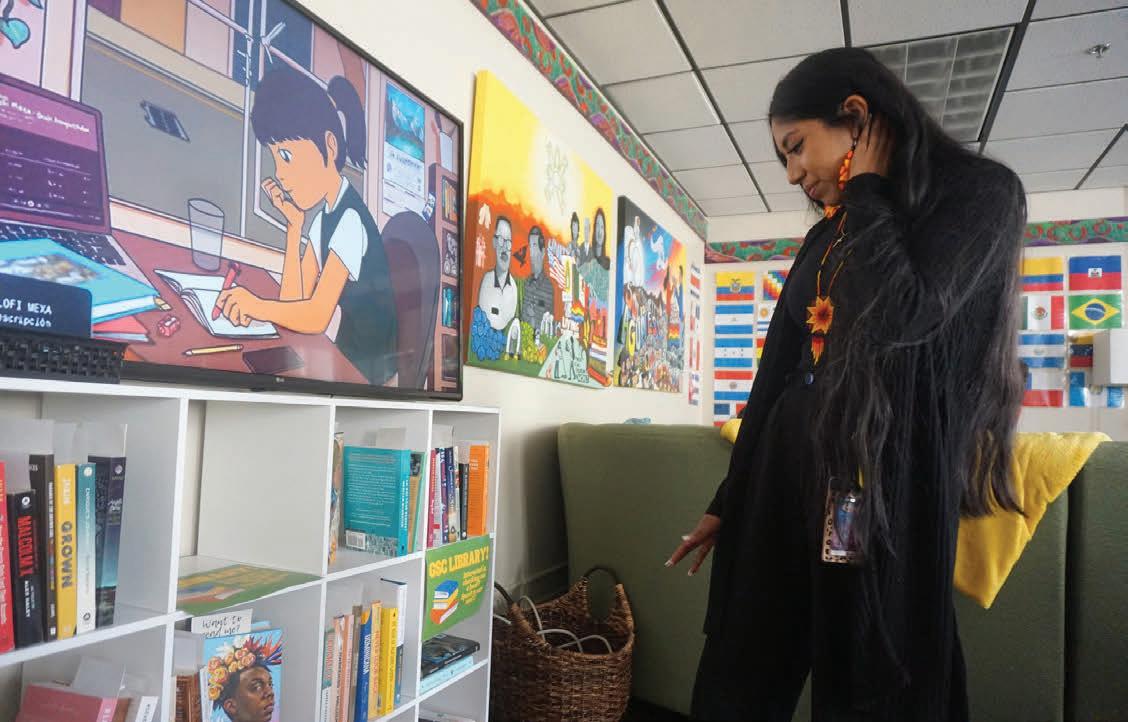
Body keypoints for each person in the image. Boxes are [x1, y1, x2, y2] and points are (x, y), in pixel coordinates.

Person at [667, 47, 1026, 721]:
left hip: (864, 486)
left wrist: (866, 192)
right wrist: (729, 500)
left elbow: (907, 313)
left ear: (856, 117)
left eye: (796, 146)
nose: (792, 173)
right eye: (783, 158)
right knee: (743, 662)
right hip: (782, 473)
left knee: (865, 666)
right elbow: (774, 376)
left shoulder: (981, 194)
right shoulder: (826, 236)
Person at [218, 68, 398, 385]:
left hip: (366, 372)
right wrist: (294, 226)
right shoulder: (324, 215)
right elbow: (294, 299)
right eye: (276, 158)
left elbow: (316, 316)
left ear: (329, 146)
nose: (279, 173)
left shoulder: (350, 219)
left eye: (287, 156)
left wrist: (257, 306)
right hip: (345, 359)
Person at [478, 215, 517, 331]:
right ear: (494, 242)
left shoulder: (514, 288)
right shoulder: (486, 282)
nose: (505, 247)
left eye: (508, 242)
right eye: (501, 240)